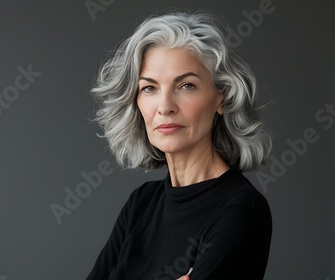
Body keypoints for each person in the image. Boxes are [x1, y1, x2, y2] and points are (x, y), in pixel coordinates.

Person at [86, 11, 272, 280]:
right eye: (149, 88)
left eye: (186, 85)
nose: (165, 107)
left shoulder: (241, 209)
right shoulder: (142, 203)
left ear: (222, 97)